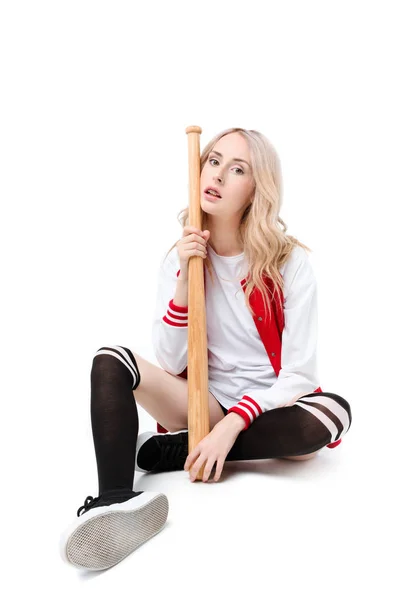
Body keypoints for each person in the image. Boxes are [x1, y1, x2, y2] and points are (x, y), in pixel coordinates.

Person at [59, 127, 352, 572]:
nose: (217, 175)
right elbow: (173, 361)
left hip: (271, 410)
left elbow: (299, 376)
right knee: (110, 360)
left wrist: (231, 426)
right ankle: (116, 500)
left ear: (256, 190)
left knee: (334, 413)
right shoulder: (178, 258)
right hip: (203, 403)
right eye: (213, 161)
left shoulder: (289, 263)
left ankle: (184, 450)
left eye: (237, 169)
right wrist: (183, 278)